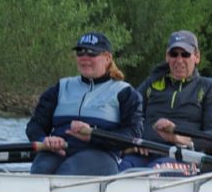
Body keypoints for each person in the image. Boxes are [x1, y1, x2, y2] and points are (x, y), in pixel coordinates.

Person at [26, 32, 143, 176]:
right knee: (41, 170)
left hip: (101, 154)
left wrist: (93, 135)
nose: (85, 58)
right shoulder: (61, 87)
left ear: (107, 58)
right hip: (58, 150)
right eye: (80, 52)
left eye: (92, 53)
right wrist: (45, 139)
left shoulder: (125, 92)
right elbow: (35, 125)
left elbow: (133, 134)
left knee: (67, 173)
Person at [120, 30, 212, 171]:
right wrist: (132, 144)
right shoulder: (151, 83)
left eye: (185, 54)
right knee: (118, 172)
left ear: (197, 57)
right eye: (174, 54)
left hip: (184, 157)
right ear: (167, 57)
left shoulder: (210, 87)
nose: (179, 60)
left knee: (150, 174)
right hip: (144, 154)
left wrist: (177, 138)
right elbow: (128, 118)